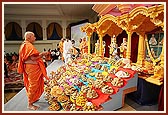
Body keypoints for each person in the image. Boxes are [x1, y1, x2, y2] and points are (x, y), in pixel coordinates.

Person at [17, 31, 49, 110]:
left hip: (32, 67)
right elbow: (33, 58)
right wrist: (42, 54)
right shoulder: (27, 45)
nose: (35, 38)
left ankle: (33, 98)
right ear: (29, 37)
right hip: (32, 68)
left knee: (36, 83)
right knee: (33, 84)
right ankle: (30, 104)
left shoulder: (26, 45)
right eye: (34, 36)